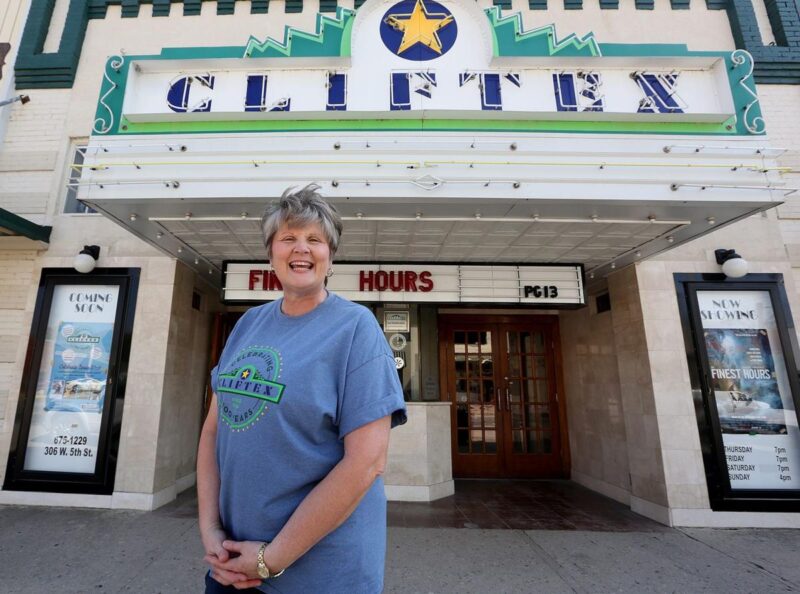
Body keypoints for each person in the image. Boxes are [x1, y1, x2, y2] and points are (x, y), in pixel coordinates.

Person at [197, 184, 407, 593]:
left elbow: (367, 462)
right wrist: (210, 531)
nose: (302, 249)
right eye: (288, 238)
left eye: (315, 239)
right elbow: (212, 431)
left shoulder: (355, 328)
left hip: (319, 575)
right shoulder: (248, 325)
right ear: (270, 252)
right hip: (230, 563)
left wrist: (269, 560)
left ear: (330, 256)